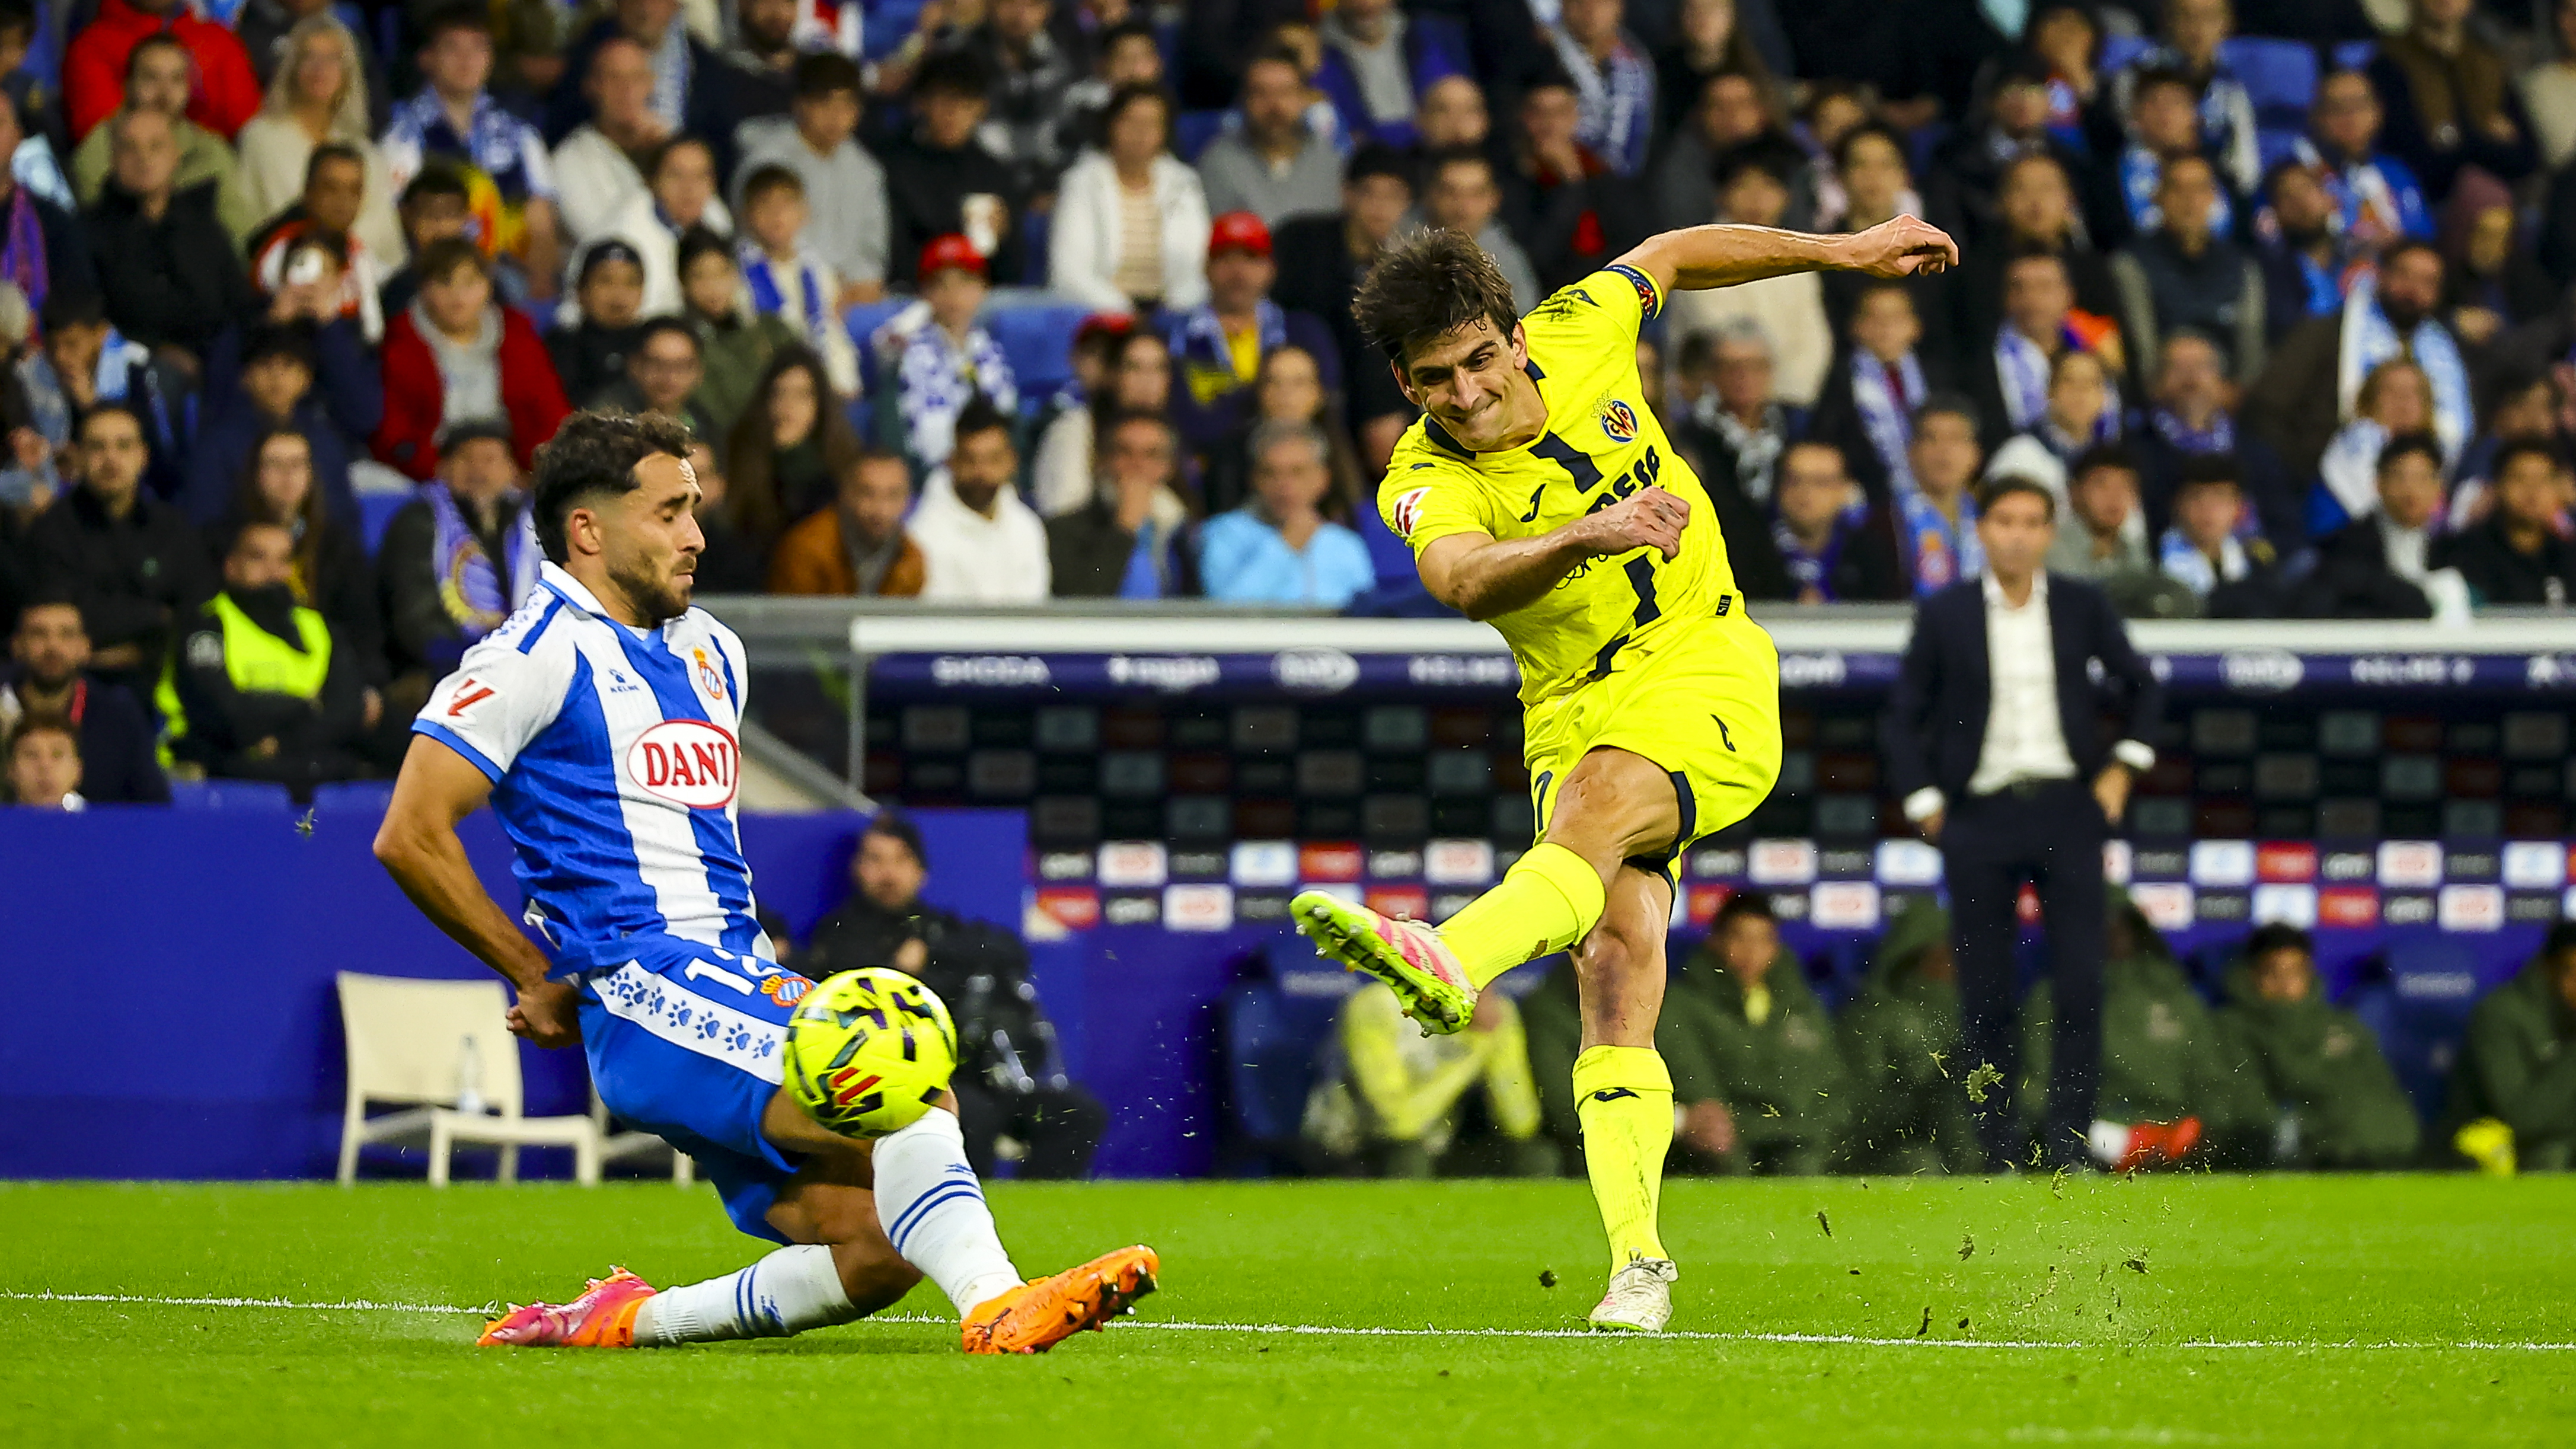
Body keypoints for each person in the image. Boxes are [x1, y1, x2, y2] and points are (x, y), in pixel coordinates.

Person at [374, 411, 1155, 1354]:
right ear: (587, 531)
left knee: (877, 1249)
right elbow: (410, 834)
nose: (697, 536)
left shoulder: (712, 650)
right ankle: (996, 1304)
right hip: (645, 983)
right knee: (905, 1084)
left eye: (695, 510)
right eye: (668, 513)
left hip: (734, 975)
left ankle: (627, 1321)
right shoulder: (528, 658)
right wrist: (533, 968)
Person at [1300, 212, 1953, 1331]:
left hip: (1707, 661)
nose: (1465, 395)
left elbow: (1671, 251)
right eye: (1433, 382)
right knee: (1613, 957)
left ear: (1513, 335)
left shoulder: (1581, 327)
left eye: (1477, 361)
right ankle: (1639, 1267)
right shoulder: (1424, 477)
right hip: (1569, 709)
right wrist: (1582, 536)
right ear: (1407, 389)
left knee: (1597, 812)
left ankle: (1451, 957)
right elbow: (1461, 578)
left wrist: (1843, 251)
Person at [1882, 475, 2165, 1173]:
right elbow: (1898, 716)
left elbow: (2145, 683)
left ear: (2048, 532)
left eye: (2031, 521)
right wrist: (1924, 802)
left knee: (2079, 981)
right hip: (1977, 814)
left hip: (2068, 807)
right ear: (1980, 530)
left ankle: (2067, 1143)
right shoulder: (1945, 612)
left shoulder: (2080, 604)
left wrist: (2121, 767)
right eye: (2003, 520)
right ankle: (1995, 1149)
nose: (2016, 534)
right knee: (1985, 991)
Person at [800, 812, 1110, 1182]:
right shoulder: (838, 933)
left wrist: (928, 951)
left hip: (985, 1073)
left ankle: (1038, 1210)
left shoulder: (938, 927)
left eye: (900, 861)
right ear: (857, 869)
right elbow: (844, 974)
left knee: (1077, 1113)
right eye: (875, 860)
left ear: (921, 872)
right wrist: (904, 966)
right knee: (972, 1116)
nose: (888, 874)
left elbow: (1009, 951)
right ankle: (959, 1216)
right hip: (906, 1081)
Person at [2018, 893, 2272, 1171]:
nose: (2111, 933)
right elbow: (2032, 1086)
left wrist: (2195, 1133)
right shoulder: (2051, 1001)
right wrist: (2098, 1136)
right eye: (2097, 924)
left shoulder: (2175, 997)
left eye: (2119, 923)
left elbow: (2213, 1084)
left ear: (2136, 928)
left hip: (2177, 1150)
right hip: (2087, 1149)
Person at [159, 518, 368, 794]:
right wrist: (305, 705)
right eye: (258, 558)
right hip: (218, 767)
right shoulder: (206, 626)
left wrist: (282, 743)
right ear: (231, 567)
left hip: (301, 761)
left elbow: (349, 711)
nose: (273, 571)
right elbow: (225, 715)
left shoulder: (318, 628)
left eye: (283, 560)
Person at [23, 403, 212, 701]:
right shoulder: (52, 531)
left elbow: (195, 611)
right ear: (79, 458)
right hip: (79, 688)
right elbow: (64, 623)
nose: (111, 459)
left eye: (123, 446)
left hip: (165, 682)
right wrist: (156, 617)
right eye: (98, 447)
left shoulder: (172, 528)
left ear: (143, 457)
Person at [379, 7, 564, 300]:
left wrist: (540, 279)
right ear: (426, 58)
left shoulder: (520, 134)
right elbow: (400, 222)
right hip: (436, 279)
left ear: (491, 59)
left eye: (479, 48)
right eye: (452, 48)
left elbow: (541, 225)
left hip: (511, 275)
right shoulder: (402, 135)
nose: (467, 60)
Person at [1661, 893, 1850, 1174]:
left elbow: (1830, 1081)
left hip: (1798, 1141)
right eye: (1740, 938)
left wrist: (1817, 1131)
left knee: (1805, 1163)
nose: (1751, 952)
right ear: (1716, 941)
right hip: (1726, 1146)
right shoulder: (1681, 1004)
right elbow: (1696, 1086)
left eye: (1764, 940)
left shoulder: (1800, 1003)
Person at [2215, 923, 2421, 1170]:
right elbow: (2249, 1112)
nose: (2285, 984)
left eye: (2295, 972)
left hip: (2380, 1152)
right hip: (2300, 1160)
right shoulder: (2230, 1028)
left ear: (2309, 974)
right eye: (2273, 973)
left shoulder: (2344, 1025)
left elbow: (2384, 1096)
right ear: (2252, 976)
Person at [1303, 982, 1549, 1178]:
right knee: (1408, 1157)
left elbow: (1521, 1123)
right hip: (1351, 1144)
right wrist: (1478, 1049)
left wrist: (1493, 1035)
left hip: (1436, 1141)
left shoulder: (1496, 1012)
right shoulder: (1378, 1006)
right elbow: (1397, 1123)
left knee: (1536, 1156)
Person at [211, 425, 382, 702]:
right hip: (250, 681)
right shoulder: (221, 543)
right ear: (254, 474)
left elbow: (362, 627)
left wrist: (367, 685)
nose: (287, 475)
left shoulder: (337, 545)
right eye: (274, 464)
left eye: (297, 464)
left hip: (332, 678)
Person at [376, 240, 572, 481]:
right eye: (445, 282)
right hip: (433, 467)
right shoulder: (400, 345)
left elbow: (551, 416)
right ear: (424, 288)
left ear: (488, 286)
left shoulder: (518, 338)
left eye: (470, 283)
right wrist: (437, 470)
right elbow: (393, 434)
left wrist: (528, 471)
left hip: (511, 464)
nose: (458, 295)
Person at [375, 417, 538, 704]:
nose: (479, 471)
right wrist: (486, 655)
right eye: (466, 459)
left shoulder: (531, 525)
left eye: (490, 460)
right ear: (442, 469)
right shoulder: (419, 523)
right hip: (439, 671)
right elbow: (416, 623)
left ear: (512, 470)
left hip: (522, 666)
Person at [1272, 145, 1419, 450]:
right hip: (1303, 377)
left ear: (1406, 204)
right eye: (1369, 194)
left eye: (1393, 196)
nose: (1380, 206)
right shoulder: (1300, 242)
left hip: (1368, 394)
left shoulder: (1407, 269)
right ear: (1347, 194)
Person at [1665, 141, 1830, 407]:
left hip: (1786, 407)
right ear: (1721, 194)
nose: (1757, 198)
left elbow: (1813, 346)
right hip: (1709, 405)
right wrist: (1755, 391)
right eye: (1744, 186)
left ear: (1786, 196)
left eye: (1768, 187)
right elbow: (1722, 337)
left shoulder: (1801, 257)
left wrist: (1780, 404)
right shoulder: (1698, 253)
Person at [87, 107, 257, 364]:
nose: (143, 158)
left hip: (216, 362)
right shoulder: (89, 232)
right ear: (113, 158)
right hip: (130, 365)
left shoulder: (204, 228)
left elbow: (240, 305)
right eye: (130, 148)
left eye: (156, 146)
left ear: (175, 155)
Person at [1160, 211, 1335, 456]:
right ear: (1206, 267)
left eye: (1251, 258)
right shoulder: (1173, 335)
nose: (1238, 272)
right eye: (1225, 259)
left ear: (1271, 269)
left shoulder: (1303, 331)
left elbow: (1327, 406)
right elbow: (1180, 418)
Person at [234, 16, 402, 269]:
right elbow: (250, 223)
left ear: (348, 73)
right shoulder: (260, 138)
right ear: (291, 67)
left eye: (333, 58)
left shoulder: (364, 150)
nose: (320, 69)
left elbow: (385, 237)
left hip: (361, 277)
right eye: (309, 57)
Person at [181, 318, 376, 528]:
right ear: (245, 378)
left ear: (307, 378)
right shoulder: (218, 445)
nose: (277, 377)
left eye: (288, 365)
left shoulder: (326, 442)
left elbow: (343, 521)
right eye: (265, 365)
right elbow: (205, 522)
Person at [729, 52, 887, 305]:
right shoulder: (766, 161)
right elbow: (749, 239)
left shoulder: (866, 170)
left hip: (850, 298)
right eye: (825, 103)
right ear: (800, 104)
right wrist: (819, 287)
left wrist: (860, 286)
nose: (837, 117)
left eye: (847, 106)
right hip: (780, 289)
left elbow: (871, 252)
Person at [69, 33, 260, 242]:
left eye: (176, 79)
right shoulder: (100, 148)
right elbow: (95, 232)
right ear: (128, 86)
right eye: (151, 78)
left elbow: (240, 234)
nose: (165, 92)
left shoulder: (210, 150)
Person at [1837, 903, 1979, 1174]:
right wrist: (1922, 1093)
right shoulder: (1873, 1017)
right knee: (1921, 1164)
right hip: (1886, 1146)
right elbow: (1856, 1108)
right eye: (1946, 951)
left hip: (1965, 1138)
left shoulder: (1970, 1016)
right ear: (1915, 955)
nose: (1956, 963)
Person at [1048, 84, 1212, 317]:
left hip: (1172, 312)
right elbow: (1070, 273)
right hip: (1100, 314)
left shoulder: (1184, 183)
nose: (1141, 133)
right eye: (1130, 121)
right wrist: (1125, 314)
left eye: (1152, 124)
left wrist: (1171, 312)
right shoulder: (1082, 183)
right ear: (1110, 124)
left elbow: (1199, 265)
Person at [2110, 154, 2267, 385]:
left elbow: (2252, 353)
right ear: (2158, 197)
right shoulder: (2131, 264)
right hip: (2163, 398)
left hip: (2231, 401)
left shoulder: (2242, 267)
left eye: (2199, 189)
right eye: (2177, 189)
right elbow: (2144, 357)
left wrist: (2234, 396)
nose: (2189, 200)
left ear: (2213, 197)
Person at [878, 49, 1028, 288]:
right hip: (914, 293)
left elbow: (1011, 274)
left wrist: (1003, 237)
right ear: (921, 103)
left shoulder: (995, 174)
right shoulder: (892, 167)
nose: (953, 113)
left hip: (979, 300)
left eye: (965, 103)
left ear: (981, 108)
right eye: (943, 100)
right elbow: (894, 260)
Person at [1501, 68, 1654, 298]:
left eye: (1560, 113)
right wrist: (1569, 185)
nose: (1550, 125)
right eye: (1540, 113)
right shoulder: (1509, 182)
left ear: (1575, 117)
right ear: (1524, 118)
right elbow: (1537, 258)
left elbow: (1633, 240)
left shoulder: (1600, 171)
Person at [872, 235, 1017, 475]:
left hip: (991, 480)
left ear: (982, 289)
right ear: (925, 293)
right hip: (930, 484)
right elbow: (892, 435)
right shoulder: (902, 354)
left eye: (965, 282)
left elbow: (1013, 425)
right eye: (940, 284)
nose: (953, 295)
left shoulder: (993, 354)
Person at [2438, 921, 2576, 1174]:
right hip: (2506, 1152)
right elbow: (2522, 1118)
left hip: (2560, 1140)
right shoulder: (2500, 1014)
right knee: (2552, 1155)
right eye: (2573, 973)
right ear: (2549, 969)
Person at [2367, 0, 2537, 200]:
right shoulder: (2390, 65)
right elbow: (2418, 161)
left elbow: (2528, 156)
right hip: (2428, 203)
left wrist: (2461, 146)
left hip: (2501, 196)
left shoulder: (2488, 62)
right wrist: (2488, 142)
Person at [0, 596, 165, 802]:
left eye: (66, 635)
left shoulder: (119, 716)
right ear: (17, 646)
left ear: (85, 647)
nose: (53, 646)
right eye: (39, 634)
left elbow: (153, 806)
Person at [1196, 419, 1373, 607]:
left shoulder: (1346, 545)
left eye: (1297, 472)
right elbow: (1224, 610)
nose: (1284, 485)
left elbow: (1367, 614)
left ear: (1323, 479)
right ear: (1254, 479)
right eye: (1270, 473)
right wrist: (1285, 545)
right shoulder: (1223, 534)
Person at [1806, 280, 1948, 501]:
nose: (1886, 328)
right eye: (1874, 318)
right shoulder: (1841, 380)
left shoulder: (1938, 377)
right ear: (1855, 326)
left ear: (1916, 326)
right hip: (1868, 495)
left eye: (1896, 318)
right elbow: (1828, 437)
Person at [2296, 431, 2457, 620]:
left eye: (2422, 478)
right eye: (2400, 477)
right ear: (2378, 483)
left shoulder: (2456, 548)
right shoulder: (2347, 546)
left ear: (2439, 487)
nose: (2411, 490)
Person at [242, 143, 392, 345]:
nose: (343, 201)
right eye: (331, 188)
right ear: (308, 192)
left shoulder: (364, 260)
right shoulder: (278, 248)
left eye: (354, 191)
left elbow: (372, 339)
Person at [2109, 0, 2259, 197]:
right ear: (2167, 21)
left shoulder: (2233, 89)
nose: (2197, 26)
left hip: (2212, 197)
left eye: (2209, 17)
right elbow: (2128, 144)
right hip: (2145, 190)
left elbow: (2245, 168)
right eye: (2185, 15)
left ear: (2227, 24)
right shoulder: (2136, 76)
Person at [735, 165, 860, 396]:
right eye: (765, 206)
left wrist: (843, 381)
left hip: (823, 377)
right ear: (746, 216)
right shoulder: (737, 273)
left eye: (786, 205)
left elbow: (829, 329)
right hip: (768, 377)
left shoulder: (819, 271)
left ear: (804, 213)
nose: (777, 216)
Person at [908, 397, 1049, 604]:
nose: (981, 472)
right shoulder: (923, 536)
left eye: (993, 460)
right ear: (952, 461)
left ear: (1011, 462)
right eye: (970, 460)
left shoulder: (1027, 528)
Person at [63, 0, 261, 143]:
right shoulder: (91, 48)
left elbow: (249, 129)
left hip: (214, 173)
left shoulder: (220, 41)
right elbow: (103, 141)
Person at [580, 134, 730, 321]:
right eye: (676, 176)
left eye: (701, 176)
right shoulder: (623, 234)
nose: (690, 188)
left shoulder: (716, 217)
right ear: (652, 181)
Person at [1977, 251, 2121, 443]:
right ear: (2006, 297)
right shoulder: (1980, 361)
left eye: (2044, 287)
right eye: (2019, 288)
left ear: (2069, 295)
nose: (2032, 298)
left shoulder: (2094, 351)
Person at [722, 348, 859, 551]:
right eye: (779, 393)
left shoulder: (841, 470)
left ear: (820, 405)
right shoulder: (742, 458)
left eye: (802, 395)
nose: (788, 406)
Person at [1736, 439, 1903, 604]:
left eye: (1820, 482)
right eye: (1795, 480)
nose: (1806, 492)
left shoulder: (1870, 554)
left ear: (1844, 490)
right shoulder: (1747, 550)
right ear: (1779, 488)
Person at [1046, 410, 1190, 598]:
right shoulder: (1065, 530)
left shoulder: (1181, 532)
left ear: (1169, 467)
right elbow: (1082, 599)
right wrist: (1124, 529)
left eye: (1152, 455)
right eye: (1125, 452)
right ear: (1102, 461)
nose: (1138, 464)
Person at [1030, 327, 1170, 519]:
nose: (1147, 381)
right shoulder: (1074, 429)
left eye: (1158, 369)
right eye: (1134, 368)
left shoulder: (1175, 432)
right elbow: (1061, 515)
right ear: (1112, 375)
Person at [678, 228, 802, 443]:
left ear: (735, 274)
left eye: (721, 273)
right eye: (700, 276)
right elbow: (717, 417)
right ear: (682, 283)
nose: (713, 287)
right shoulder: (682, 346)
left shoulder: (770, 329)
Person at [1195, 47, 1342, 227]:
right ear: (1245, 100)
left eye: (1285, 92)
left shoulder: (1330, 160)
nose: (1275, 106)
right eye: (1261, 93)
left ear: (1304, 98)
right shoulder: (1218, 163)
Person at [2294, 71, 2433, 257]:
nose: (2350, 118)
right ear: (2317, 117)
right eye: (2337, 109)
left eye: (2360, 106)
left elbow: (2425, 241)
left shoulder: (2397, 172)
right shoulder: (2299, 175)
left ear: (2378, 112)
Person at [547, 37, 663, 246]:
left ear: (650, 85)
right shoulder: (569, 160)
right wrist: (656, 169)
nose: (626, 90)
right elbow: (606, 241)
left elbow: (716, 224)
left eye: (636, 78)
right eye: (614, 78)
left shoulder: (669, 143)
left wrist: (667, 154)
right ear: (592, 87)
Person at [1313, 0, 1473, 152]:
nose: (1366, 4)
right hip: (1364, 164)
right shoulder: (1319, 54)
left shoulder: (1424, 36)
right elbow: (1343, 135)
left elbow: (1448, 106)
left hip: (1433, 154)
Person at [768, 448, 925, 598]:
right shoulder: (806, 551)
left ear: (908, 500)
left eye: (893, 495)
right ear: (845, 493)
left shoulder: (911, 561)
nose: (881, 509)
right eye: (867, 493)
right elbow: (790, 623)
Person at [2437, 439, 2576, 607]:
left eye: (2543, 480)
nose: (2532, 491)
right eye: (2520, 479)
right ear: (2498, 485)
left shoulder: (2568, 558)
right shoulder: (2463, 553)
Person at [1984, 350, 2124, 502]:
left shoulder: (2114, 464)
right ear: (2050, 392)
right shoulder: (2019, 455)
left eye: (2091, 383)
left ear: (2104, 397)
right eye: (2070, 382)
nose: (2081, 393)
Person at [1416, 148, 1538, 317]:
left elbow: (1525, 321)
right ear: (1431, 195)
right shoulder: (1399, 248)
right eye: (1452, 193)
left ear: (1494, 199)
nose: (1463, 207)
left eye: (1476, 194)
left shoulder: (1509, 260)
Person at [2160, 458, 2287, 617]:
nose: (2207, 510)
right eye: (2196, 497)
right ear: (2177, 505)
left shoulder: (2257, 563)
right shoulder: (2154, 558)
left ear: (2239, 509)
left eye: (2219, 498)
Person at [1545, 0, 1654, 178]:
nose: (1591, 11)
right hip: (1556, 182)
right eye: (1580, 3)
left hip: (1623, 186)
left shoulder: (1637, 61)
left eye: (1602, 2)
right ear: (1563, 5)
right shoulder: (1541, 53)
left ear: (1619, 7)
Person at [1893, 395, 1987, 597]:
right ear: (1912, 453)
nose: (1943, 451)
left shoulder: (1989, 516)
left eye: (1955, 439)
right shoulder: (1887, 520)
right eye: (1931, 439)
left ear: (1975, 454)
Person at [548, 240, 649, 407]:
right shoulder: (559, 349)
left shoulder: (655, 348)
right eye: (605, 281)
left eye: (630, 283)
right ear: (581, 290)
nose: (618, 294)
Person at [2045, 445, 2154, 583]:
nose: (2115, 497)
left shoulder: (2136, 550)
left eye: (2125, 487)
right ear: (2074, 492)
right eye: (2102, 486)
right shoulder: (2052, 549)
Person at [593, 318, 717, 439]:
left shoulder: (704, 423)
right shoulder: (607, 420)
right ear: (634, 365)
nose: (669, 377)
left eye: (681, 367)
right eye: (657, 364)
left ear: (698, 372)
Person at [2, 712, 81, 807]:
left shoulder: (98, 820)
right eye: (31, 755)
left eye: (57, 754)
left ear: (77, 769)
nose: (45, 765)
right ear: (11, 770)